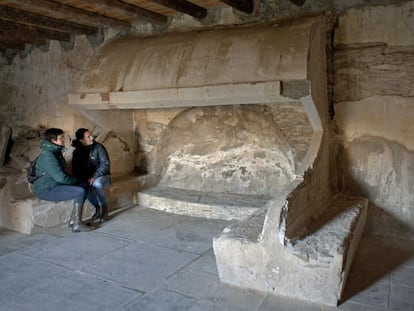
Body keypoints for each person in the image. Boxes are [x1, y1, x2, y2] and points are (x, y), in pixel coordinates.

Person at [31, 128, 91, 233]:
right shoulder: (48, 155)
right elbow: (61, 178)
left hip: (54, 185)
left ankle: (73, 220)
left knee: (84, 185)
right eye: (61, 138)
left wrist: (77, 181)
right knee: (80, 191)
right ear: (53, 141)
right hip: (46, 189)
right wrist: (75, 180)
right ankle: (77, 224)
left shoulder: (56, 152)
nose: (64, 140)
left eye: (63, 137)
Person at [72, 128, 111, 223]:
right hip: (88, 178)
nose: (92, 138)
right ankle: (97, 208)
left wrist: (95, 176)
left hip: (103, 176)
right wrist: (85, 179)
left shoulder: (99, 147)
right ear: (81, 140)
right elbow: (77, 169)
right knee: (83, 186)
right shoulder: (77, 152)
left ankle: (104, 208)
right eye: (88, 137)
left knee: (96, 183)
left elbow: (105, 164)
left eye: (91, 135)